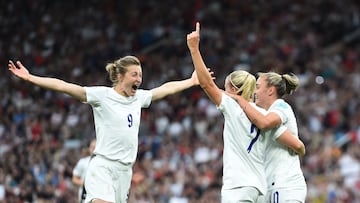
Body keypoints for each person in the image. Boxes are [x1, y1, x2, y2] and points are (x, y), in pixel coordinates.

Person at [8, 55, 203, 203]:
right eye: (134, 74)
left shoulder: (138, 98)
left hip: (125, 171)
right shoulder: (102, 96)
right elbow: (65, 86)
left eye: (141, 75)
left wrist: (191, 81)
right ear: (120, 76)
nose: (139, 79)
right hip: (103, 166)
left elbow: (165, 89)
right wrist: (31, 78)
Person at [187, 22, 305, 202]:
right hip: (260, 187)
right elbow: (295, 144)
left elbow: (207, 84)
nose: (224, 93)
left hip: (239, 186)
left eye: (226, 89)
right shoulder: (262, 114)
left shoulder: (235, 106)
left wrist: (194, 49)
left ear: (233, 89)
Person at [230, 71, 307, 202]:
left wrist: (240, 100)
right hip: (271, 185)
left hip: (285, 185)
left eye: (258, 87)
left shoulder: (281, 106)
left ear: (271, 90)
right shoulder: (263, 114)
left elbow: (265, 123)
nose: (254, 91)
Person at [72, 139, 96, 203]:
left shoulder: (103, 164)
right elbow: (74, 179)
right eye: (92, 147)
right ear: (89, 148)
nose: (94, 150)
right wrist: (86, 184)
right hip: (84, 197)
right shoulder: (83, 162)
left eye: (95, 147)